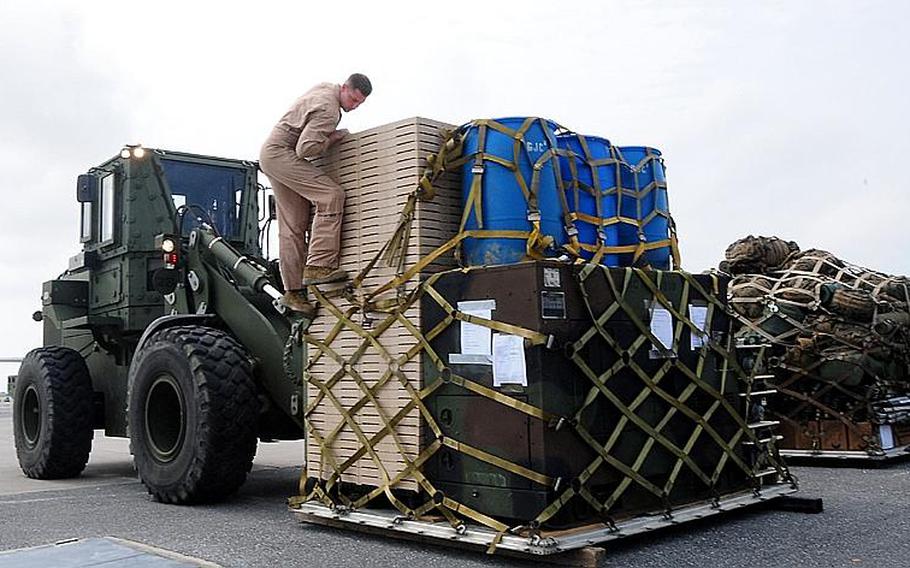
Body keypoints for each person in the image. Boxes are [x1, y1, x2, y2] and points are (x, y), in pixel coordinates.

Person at [260, 73, 372, 316]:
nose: (353, 106)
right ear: (344, 88)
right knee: (331, 196)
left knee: (293, 226)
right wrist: (334, 137)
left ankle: (294, 293)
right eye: (352, 100)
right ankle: (319, 265)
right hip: (282, 155)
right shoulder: (329, 110)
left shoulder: (324, 88)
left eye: (359, 104)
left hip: (270, 155)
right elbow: (306, 149)